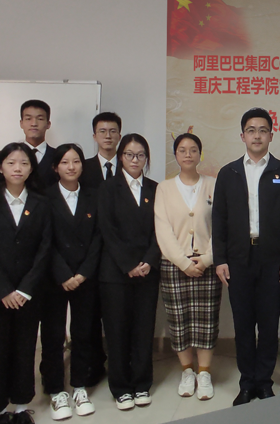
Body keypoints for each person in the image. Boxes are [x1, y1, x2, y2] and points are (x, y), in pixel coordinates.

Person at [212, 107, 280, 406]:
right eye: (251, 130)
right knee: (242, 324)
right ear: (242, 136)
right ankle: (247, 382)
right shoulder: (229, 173)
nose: (257, 135)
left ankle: (264, 382)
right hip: (238, 259)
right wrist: (220, 259)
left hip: (273, 259)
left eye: (263, 130)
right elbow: (219, 219)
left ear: (271, 135)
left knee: (268, 324)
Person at [0, 143, 53, 424]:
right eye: (11, 163)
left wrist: (24, 289)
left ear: (31, 168)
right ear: (0, 168)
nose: (17, 168)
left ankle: (21, 407)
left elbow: (45, 248)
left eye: (24, 163)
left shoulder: (42, 203)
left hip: (28, 294)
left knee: (25, 349)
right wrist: (4, 290)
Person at [154, 133, 221, 401]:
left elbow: (222, 226)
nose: (188, 154)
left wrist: (207, 259)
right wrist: (183, 262)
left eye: (193, 149)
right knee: (179, 320)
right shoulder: (164, 188)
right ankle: (187, 370)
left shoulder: (213, 184)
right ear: (176, 155)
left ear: (200, 154)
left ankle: (204, 373)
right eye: (182, 150)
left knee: (207, 321)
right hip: (174, 264)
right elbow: (162, 229)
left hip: (207, 264)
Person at [97, 133, 160, 410]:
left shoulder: (155, 189)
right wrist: (128, 265)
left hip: (148, 271)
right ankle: (121, 387)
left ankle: (142, 383)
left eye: (140, 155)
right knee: (117, 331)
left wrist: (149, 260)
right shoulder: (107, 188)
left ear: (147, 158)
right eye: (129, 155)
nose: (135, 160)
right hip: (115, 273)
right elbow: (107, 230)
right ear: (120, 157)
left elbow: (161, 229)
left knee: (144, 330)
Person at [40, 144, 102, 419]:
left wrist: (83, 272)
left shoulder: (93, 195)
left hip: (85, 277)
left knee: (83, 333)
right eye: (65, 162)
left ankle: (79, 386)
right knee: (53, 336)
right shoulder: (44, 197)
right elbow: (44, 240)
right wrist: (63, 274)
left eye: (76, 161)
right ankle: (56, 390)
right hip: (54, 279)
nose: (71, 166)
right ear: (56, 167)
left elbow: (99, 237)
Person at [80, 112, 122, 190]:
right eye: (102, 131)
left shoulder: (127, 166)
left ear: (119, 137)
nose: (108, 136)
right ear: (94, 136)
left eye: (113, 131)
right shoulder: (84, 167)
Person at [20, 99, 56, 186]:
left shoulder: (59, 157)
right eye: (28, 119)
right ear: (21, 123)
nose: (34, 124)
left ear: (48, 124)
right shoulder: (7, 156)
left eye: (40, 119)